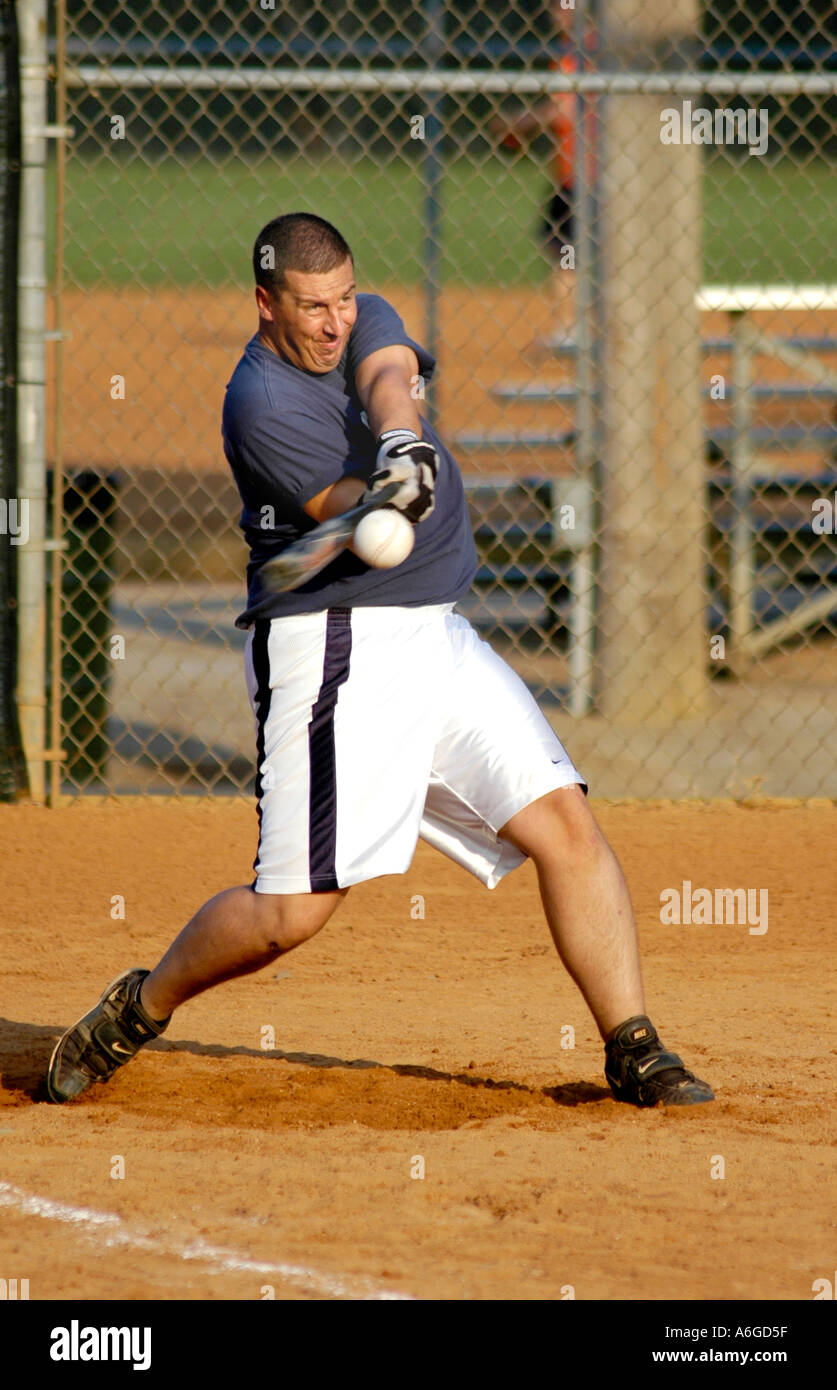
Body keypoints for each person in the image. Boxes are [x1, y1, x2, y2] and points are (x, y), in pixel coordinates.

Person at [46, 213, 713, 1111]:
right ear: (265, 304)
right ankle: (141, 1004)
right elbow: (350, 509)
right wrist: (381, 495)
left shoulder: (361, 320)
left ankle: (634, 1046)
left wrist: (403, 443)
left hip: (431, 634)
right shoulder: (260, 405)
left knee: (565, 823)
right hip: (332, 648)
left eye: (343, 299)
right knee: (290, 916)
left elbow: (389, 374)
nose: (333, 321)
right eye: (311, 307)